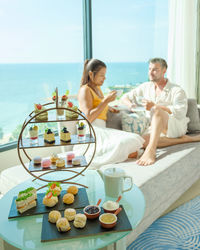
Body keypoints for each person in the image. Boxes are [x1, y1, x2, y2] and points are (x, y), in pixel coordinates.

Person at [121, 57, 200, 166]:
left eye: (155, 70)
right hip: (154, 127)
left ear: (164, 71)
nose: (151, 73)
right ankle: (186, 140)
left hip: (174, 125)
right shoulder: (145, 87)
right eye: (149, 69)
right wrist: (131, 105)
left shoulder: (177, 90)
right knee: (141, 140)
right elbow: (125, 97)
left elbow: (180, 112)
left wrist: (155, 106)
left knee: (157, 110)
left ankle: (151, 150)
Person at [77, 59, 144, 168]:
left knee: (134, 139)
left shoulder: (97, 88)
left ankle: (126, 154)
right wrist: (105, 101)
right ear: (90, 74)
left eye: (105, 75)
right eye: (101, 75)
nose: (104, 78)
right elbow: (88, 117)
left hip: (102, 128)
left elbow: (97, 106)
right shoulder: (85, 90)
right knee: (128, 142)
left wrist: (109, 107)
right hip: (92, 129)